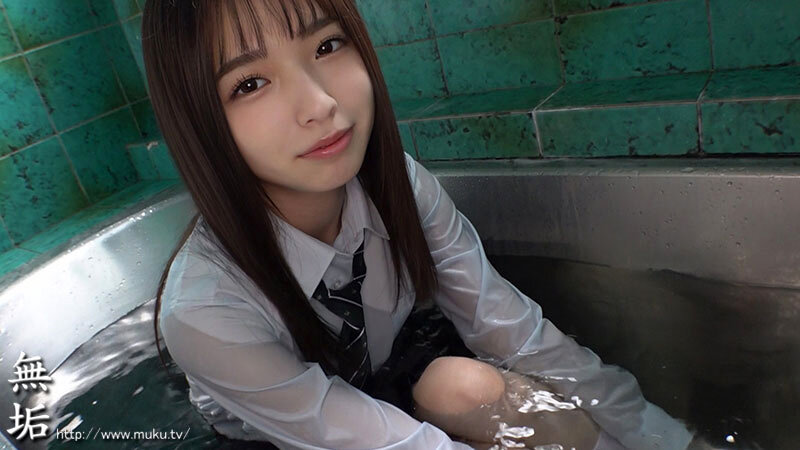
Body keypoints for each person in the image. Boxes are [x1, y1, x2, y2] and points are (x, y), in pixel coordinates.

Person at [142, 1, 696, 448]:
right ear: (198, 124)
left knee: (465, 387)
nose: (320, 102)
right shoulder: (205, 314)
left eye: (327, 46)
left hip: (385, 373)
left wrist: (668, 440)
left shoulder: (397, 184)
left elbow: (512, 330)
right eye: (249, 84)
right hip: (273, 436)